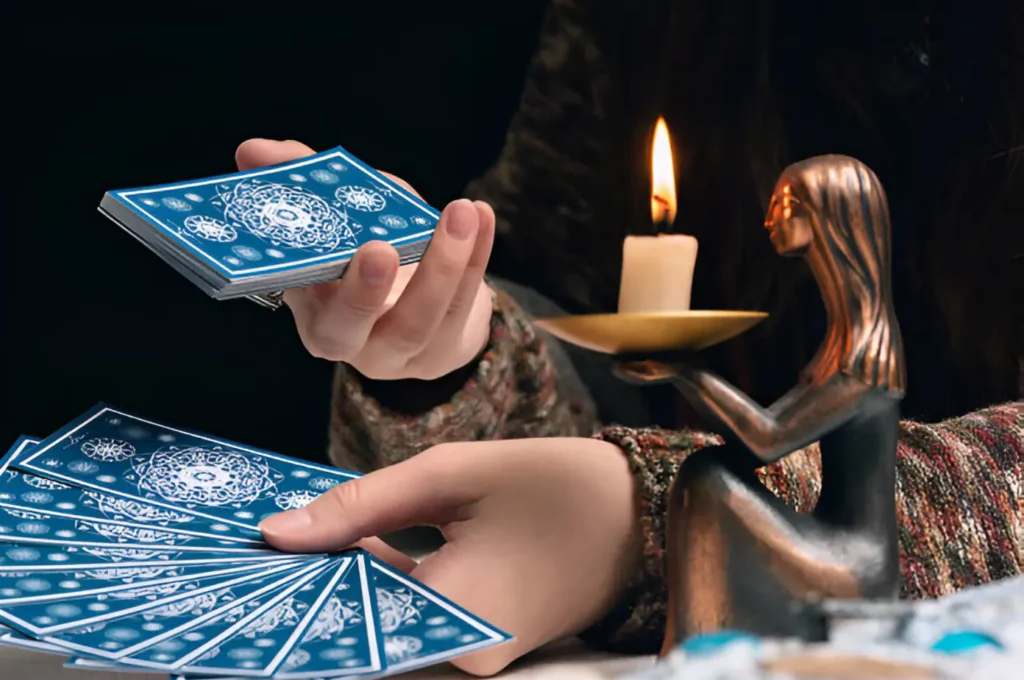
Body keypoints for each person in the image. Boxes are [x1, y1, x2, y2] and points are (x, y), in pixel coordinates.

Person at [257, 0, 1023, 675]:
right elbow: (558, 316)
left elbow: (764, 437)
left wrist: (636, 512)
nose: (778, 236)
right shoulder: (645, 22)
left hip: (873, 587)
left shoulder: (862, 351)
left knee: (706, 489)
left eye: (794, 223)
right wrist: (450, 362)